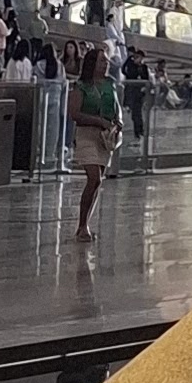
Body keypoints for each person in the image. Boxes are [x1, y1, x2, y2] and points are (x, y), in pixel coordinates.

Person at [70, 41, 121, 248]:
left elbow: (116, 109)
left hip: (104, 136)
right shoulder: (81, 86)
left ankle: (86, 224)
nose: (105, 64)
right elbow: (74, 113)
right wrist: (97, 121)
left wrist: (117, 124)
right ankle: (82, 224)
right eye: (101, 61)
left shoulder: (110, 84)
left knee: (97, 181)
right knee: (93, 177)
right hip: (87, 134)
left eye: (106, 61)